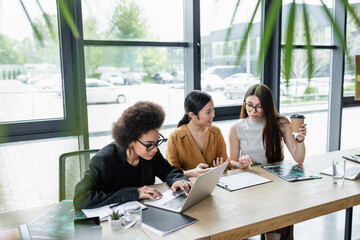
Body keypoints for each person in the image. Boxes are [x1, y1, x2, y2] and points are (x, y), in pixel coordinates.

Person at [73, 101, 192, 210]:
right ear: (130, 141)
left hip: (142, 213)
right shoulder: (104, 160)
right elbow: (81, 198)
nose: (155, 149)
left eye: (157, 142)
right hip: (113, 221)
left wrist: (178, 180)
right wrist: (135, 193)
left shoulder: (150, 152)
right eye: (150, 144)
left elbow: (168, 171)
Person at [229, 84, 307, 240]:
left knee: (277, 220)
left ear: (268, 106)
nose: (253, 111)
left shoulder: (280, 123)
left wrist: (300, 139)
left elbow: (298, 158)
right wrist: (241, 163)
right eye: (249, 105)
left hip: (276, 184)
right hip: (250, 185)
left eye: (259, 107)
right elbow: (232, 161)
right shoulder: (236, 128)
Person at [166, 90, 229, 178]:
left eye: (213, 110)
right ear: (192, 115)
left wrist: (220, 168)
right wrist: (191, 173)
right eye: (208, 112)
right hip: (187, 187)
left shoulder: (216, 132)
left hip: (215, 183)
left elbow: (226, 163)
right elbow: (171, 173)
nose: (213, 115)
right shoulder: (175, 137)